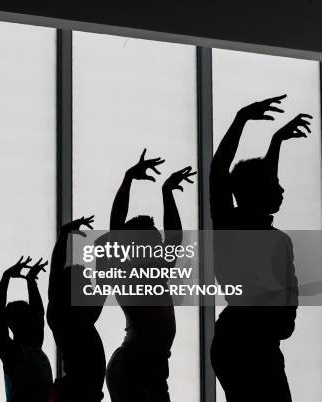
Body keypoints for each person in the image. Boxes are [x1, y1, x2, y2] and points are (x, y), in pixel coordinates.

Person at [210, 95, 310, 402]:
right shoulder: (233, 226)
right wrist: (241, 118)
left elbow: (260, 179)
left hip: (259, 344)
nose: (281, 189)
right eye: (273, 183)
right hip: (244, 346)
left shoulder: (270, 234)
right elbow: (219, 171)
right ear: (255, 193)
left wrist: (276, 140)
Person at [104, 149, 196, 402]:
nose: (159, 244)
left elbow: (174, 239)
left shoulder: (154, 272)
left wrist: (167, 193)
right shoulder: (129, 275)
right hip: (133, 368)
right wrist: (128, 179)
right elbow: (115, 228)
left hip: (147, 366)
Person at [47, 216, 106, 402]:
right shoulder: (78, 317)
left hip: (78, 390)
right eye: (87, 284)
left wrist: (65, 233)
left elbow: (56, 271)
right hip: (78, 392)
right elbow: (103, 283)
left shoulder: (68, 314)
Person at [0, 257, 53, 402]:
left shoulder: (34, 348)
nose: (33, 317)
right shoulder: (13, 352)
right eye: (27, 314)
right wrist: (5, 277)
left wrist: (31, 280)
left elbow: (39, 313)